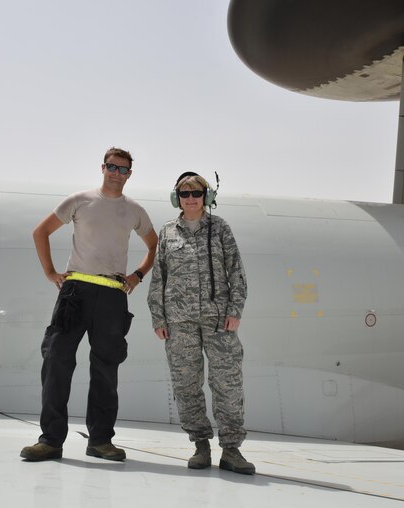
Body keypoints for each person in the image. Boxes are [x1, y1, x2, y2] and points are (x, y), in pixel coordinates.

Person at [20, 147, 158, 462]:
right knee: (56, 363)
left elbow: (153, 246)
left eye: (123, 169)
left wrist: (137, 275)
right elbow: (40, 232)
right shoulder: (80, 201)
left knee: (106, 369)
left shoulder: (134, 211)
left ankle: (100, 441)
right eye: (112, 167)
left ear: (129, 174)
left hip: (112, 295)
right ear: (103, 168)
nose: (116, 173)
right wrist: (51, 273)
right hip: (76, 292)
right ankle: (51, 441)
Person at [147, 172, 254, 475]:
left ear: (206, 197)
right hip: (179, 323)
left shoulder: (220, 229)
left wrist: (235, 309)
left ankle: (231, 449)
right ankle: (200, 445)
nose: (191, 199)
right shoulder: (168, 232)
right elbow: (159, 277)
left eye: (197, 194)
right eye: (185, 194)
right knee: (186, 385)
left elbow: (236, 272)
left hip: (219, 321)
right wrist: (159, 316)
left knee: (227, 383)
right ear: (176, 198)